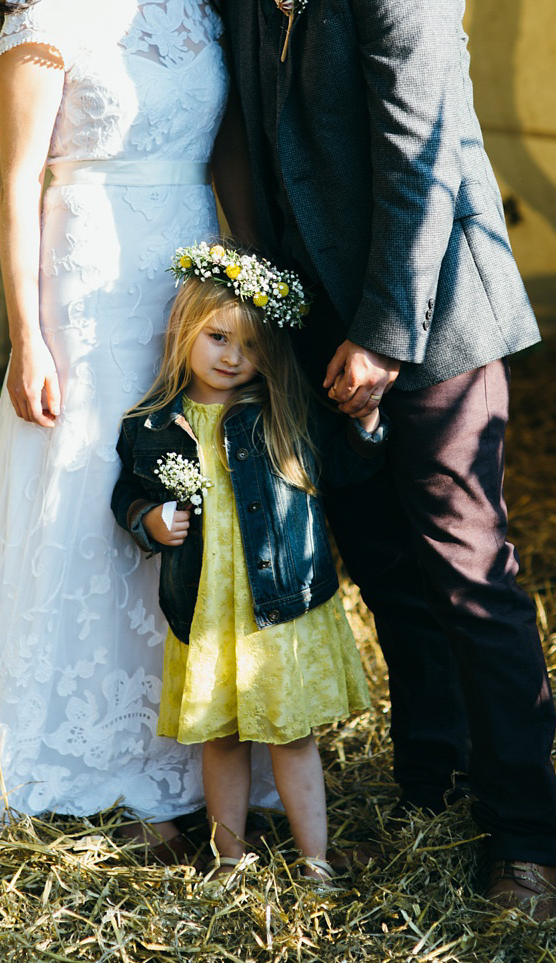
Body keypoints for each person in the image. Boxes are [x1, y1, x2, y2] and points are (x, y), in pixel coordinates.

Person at [157, 0, 556, 916]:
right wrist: (281, 318)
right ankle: (434, 767)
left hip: (430, 320)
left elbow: (422, 164)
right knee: (381, 560)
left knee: (467, 567)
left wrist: (384, 337)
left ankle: (526, 837)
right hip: (317, 331)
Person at [0, 0, 276, 850]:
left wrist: (248, 277)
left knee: (195, 487)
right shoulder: (47, 11)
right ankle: (75, 756)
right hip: (87, 273)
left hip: (189, 266)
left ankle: (196, 750)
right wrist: (27, 337)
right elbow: (15, 186)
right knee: (94, 487)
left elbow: (227, 150)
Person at [112, 243, 383, 886]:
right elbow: (126, 490)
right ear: (183, 329)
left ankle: (314, 860)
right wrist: (147, 519)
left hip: (279, 609)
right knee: (222, 738)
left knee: (291, 737)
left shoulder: (284, 413)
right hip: (207, 609)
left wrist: (368, 422)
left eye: (253, 346)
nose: (234, 357)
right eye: (218, 336)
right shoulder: (152, 425)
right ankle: (228, 860)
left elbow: (342, 472)